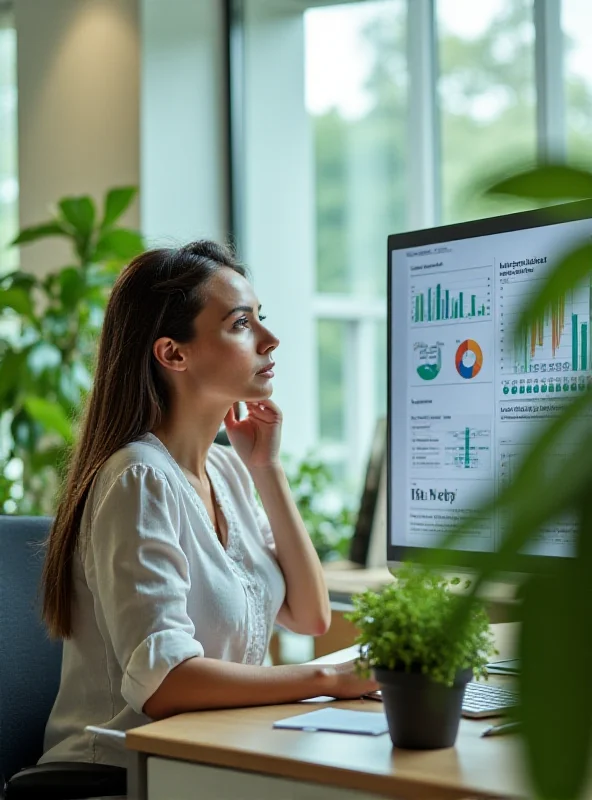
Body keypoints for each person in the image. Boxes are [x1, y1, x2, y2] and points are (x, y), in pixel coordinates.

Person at [38, 240, 379, 769]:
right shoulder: (137, 478)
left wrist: (267, 470)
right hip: (120, 773)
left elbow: (310, 615)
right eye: (242, 324)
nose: (270, 339)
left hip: (213, 756)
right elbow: (164, 682)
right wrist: (329, 679)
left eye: (260, 318)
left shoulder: (226, 470)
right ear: (174, 353)